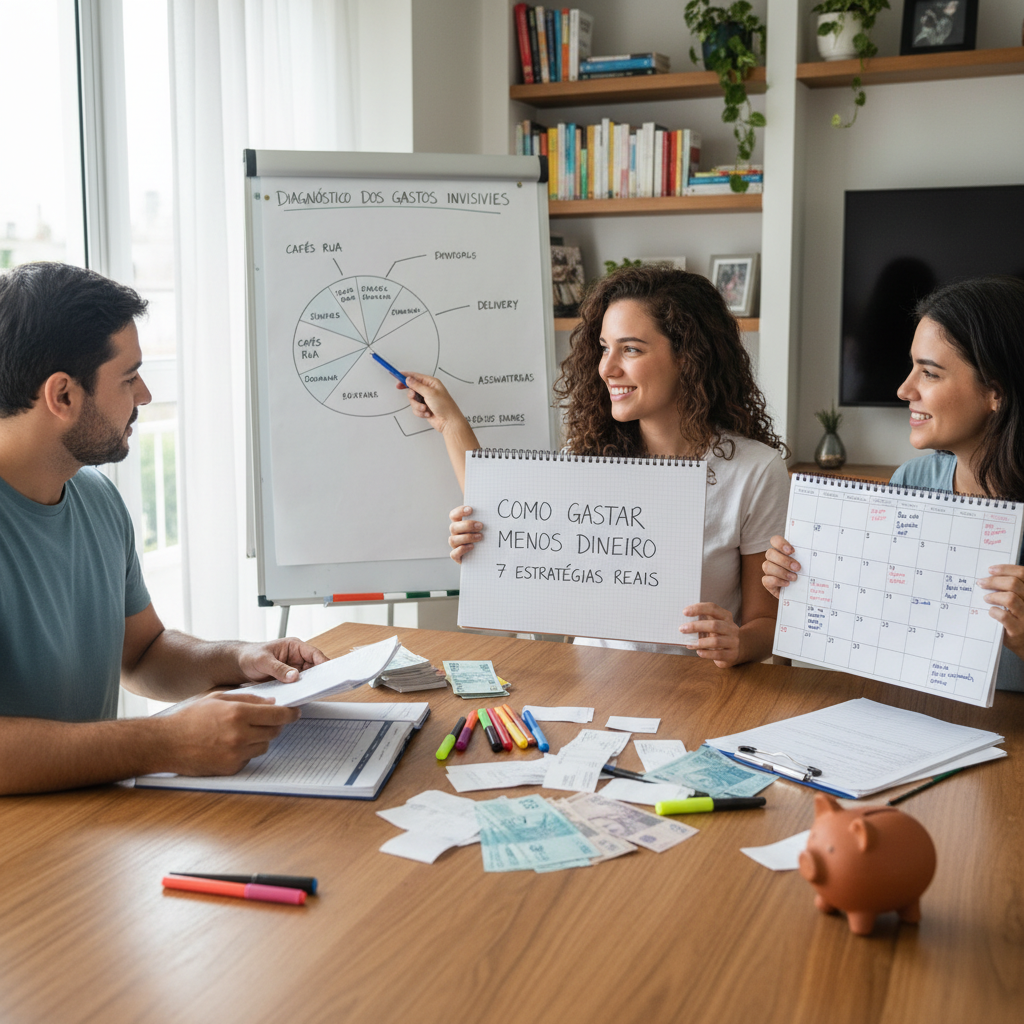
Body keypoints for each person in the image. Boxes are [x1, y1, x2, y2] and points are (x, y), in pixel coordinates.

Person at [0, 262, 326, 795]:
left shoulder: (97, 498)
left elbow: (142, 655)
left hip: (90, 832)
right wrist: (165, 742)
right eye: (129, 378)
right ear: (62, 395)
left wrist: (239, 659)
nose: (146, 395)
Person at [399, 265, 791, 667]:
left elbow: (767, 621)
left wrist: (737, 643)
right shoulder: (588, 454)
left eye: (631, 349)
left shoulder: (755, 472)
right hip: (590, 688)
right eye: (604, 347)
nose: (607, 368)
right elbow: (517, 523)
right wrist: (488, 542)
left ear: (690, 357)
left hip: (696, 692)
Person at [762, 276, 1024, 691]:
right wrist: (804, 588)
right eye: (911, 367)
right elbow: (879, 634)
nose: (905, 389)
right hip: (911, 719)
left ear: (996, 391)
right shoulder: (910, 483)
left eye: (930, 374)